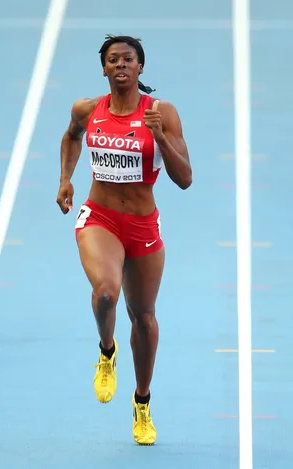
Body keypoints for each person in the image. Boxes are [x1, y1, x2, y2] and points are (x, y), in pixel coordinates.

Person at [56, 34, 192, 445]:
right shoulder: (87, 108)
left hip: (143, 226)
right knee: (105, 295)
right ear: (104, 68)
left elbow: (185, 179)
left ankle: (142, 403)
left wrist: (162, 138)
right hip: (100, 219)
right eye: (112, 59)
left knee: (145, 318)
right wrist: (65, 178)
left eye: (127, 59)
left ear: (139, 67)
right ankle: (106, 351)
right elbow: (71, 137)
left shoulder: (161, 112)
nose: (120, 65)